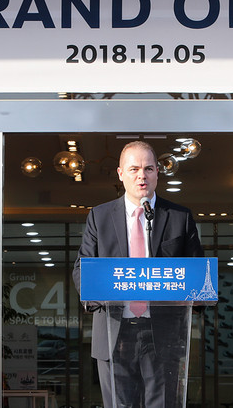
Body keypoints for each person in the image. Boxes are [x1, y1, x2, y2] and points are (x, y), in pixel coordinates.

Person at [73, 141, 203, 408]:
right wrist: (98, 296)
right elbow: (82, 269)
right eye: (134, 169)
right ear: (121, 174)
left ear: (157, 173)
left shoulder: (179, 217)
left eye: (148, 169)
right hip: (114, 331)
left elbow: (198, 274)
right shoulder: (99, 216)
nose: (141, 176)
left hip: (163, 332)